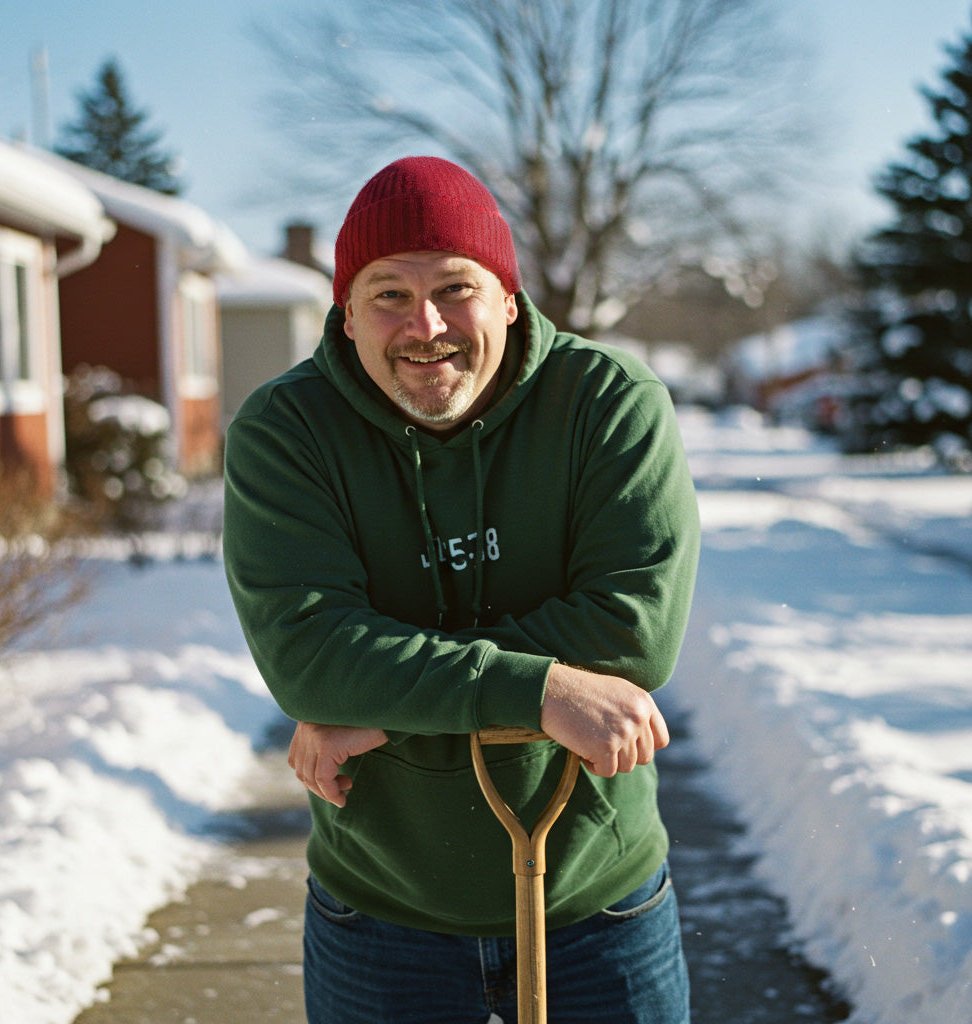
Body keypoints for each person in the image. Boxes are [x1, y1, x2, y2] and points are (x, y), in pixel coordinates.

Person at [223, 155, 700, 1023]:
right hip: (381, 910)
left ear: (509, 299)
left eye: (456, 287)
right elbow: (309, 653)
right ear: (347, 312)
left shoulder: (608, 402)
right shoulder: (287, 430)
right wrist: (545, 689)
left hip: (595, 901)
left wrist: (381, 701)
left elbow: (634, 632)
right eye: (388, 295)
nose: (426, 324)